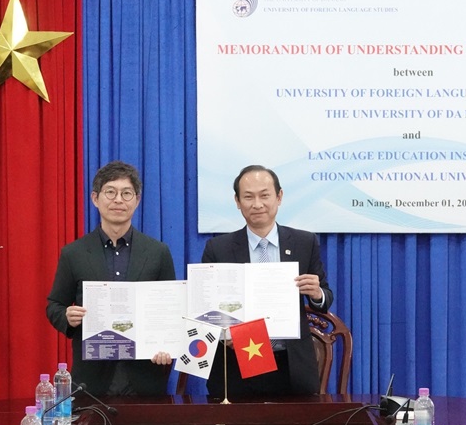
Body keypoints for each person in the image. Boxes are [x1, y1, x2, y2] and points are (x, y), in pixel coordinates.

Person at [202, 165, 333, 398]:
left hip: (291, 364)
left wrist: (316, 293)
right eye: (248, 197)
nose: (257, 204)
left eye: (265, 195)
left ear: (279, 197)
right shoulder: (218, 248)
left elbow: (324, 298)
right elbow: (207, 307)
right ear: (237, 201)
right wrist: (225, 331)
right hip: (238, 363)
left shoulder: (305, 242)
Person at [46, 161, 176, 396]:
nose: (118, 200)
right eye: (110, 192)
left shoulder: (158, 252)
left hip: (145, 376)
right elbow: (54, 305)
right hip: (92, 379)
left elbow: (170, 310)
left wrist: (166, 346)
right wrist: (66, 316)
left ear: (137, 200)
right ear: (95, 198)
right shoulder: (73, 253)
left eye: (126, 194)